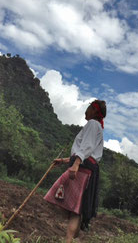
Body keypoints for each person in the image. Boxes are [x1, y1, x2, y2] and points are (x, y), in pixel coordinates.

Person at [44, 100, 106, 243]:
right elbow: (85, 151)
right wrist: (66, 160)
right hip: (86, 169)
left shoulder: (93, 124)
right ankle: (72, 238)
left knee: (59, 199)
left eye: (89, 108)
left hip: (82, 170)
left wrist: (76, 163)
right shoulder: (96, 127)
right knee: (75, 209)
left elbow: (87, 147)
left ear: (95, 112)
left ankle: (70, 239)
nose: (86, 110)